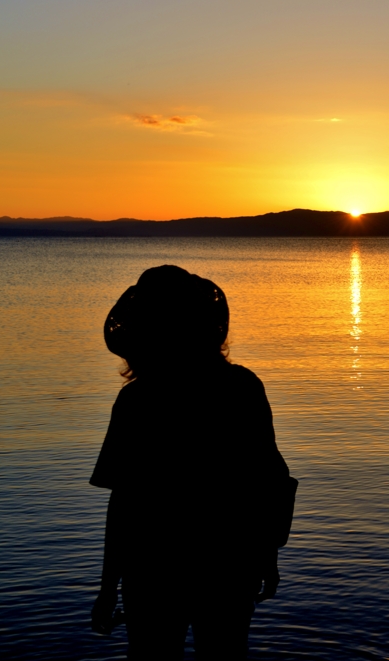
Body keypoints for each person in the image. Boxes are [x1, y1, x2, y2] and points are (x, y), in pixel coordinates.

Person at [89, 265, 295, 660]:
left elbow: (124, 504)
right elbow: (268, 482)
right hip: (228, 561)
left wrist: (107, 586)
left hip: (152, 566)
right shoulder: (241, 388)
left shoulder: (138, 401)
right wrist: (267, 555)